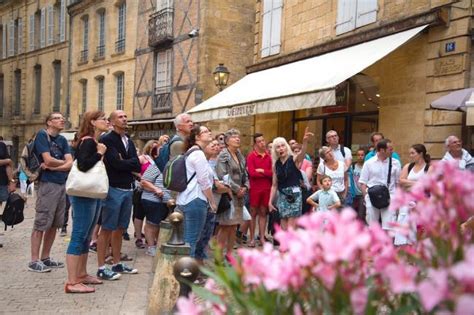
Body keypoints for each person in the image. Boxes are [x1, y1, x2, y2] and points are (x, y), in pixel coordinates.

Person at [65, 110, 109, 293]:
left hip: (91, 193)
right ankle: (72, 282)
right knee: (79, 235)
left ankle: (81, 274)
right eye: (103, 119)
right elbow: (83, 164)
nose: (107, 121)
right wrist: (99, 154)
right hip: (84, 194)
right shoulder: (88, 141)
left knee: (85, 235)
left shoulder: (93, 141)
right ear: (92, 122)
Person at [96, 110, 141, 280]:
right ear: (112, 122)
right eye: (120, 117)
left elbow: (136, 164)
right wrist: (126, 163)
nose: (124, 119)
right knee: (107, 227)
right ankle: (101, 266)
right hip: (113, 188)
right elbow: (115, 163)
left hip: (128, 188)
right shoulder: (107, 139)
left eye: (125, 117)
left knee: (121, 228)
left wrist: (126, 162)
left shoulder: (127, 139)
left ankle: (116, 262)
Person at [29, 113, 73, 272]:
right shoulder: (42, 135)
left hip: (62, 183)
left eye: (62, 118)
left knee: (55, 223)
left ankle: (45, 257)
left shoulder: (62, 140)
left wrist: (57, 165)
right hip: (47, 183)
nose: (62, 120)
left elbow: (71, 164)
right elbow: (47, 160)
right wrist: (64, 163)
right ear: (49, 122)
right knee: (42, 222)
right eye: (57, 118)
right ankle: (34, 260)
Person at [177, 124, 216, 257]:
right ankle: (187, 274)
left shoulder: (191, 152)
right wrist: (212, 201)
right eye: (205, 131)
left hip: (186, 198)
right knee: (192, 240)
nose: (209, 133)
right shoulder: (198, 153)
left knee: (188, 239)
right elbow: (203, 181)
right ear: (197, 137)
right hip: (195, 199)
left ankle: (185, 272)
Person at [268, 128, 314, 230]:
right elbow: (274, 185)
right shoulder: (276, 165)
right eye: (278, 147)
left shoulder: (293, 159)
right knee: (283, 225)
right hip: (282, 195)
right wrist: (270, 201)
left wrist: (305, 142)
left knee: (291, 226)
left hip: (295, 194)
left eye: (283, 146)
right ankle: (286, 245)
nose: (281, 148)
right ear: (275, 150)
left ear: (286, 147)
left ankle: (291, 245)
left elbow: (301, 155)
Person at [195, 140, 231, 264]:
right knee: (201, 235)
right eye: (212, 145)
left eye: (217, 145)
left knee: (205, 235)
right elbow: (210, 184)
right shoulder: (203, 162)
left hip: (209, 202)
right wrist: (213, 200)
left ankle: (200, 265)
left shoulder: (210, 162)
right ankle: (196, 267)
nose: (216, 147)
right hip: (204, 201)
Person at [215, 129, 249, 257]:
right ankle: (218, 257)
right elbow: (222, 174)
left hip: (240, 195)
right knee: (225, 226)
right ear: (227, 141)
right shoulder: (224, 155)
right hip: (229, 195)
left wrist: (245, 186)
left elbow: (245, 173)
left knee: (234, 226)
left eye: (238, 137)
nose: (238, 139)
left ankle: (229, 255)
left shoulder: (239, 154)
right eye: (234, 137)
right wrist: (236, 189)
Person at [359, 139, 401, 231]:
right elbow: (362, 182)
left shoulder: (395, 163)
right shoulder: (368, 163)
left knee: (389, 227)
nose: (392, 151)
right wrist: (366, 197)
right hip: (372, 196)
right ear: (382, 150)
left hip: (390, 196)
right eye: (390, 149)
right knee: (372, 227)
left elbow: (398, 183)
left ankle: (387, 245)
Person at [394, 144, 432, 246]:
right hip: (407, 201)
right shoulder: (408, 166)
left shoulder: (429, 168)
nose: (410, 155)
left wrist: (410, 184)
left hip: (421, 202)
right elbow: (401, 181)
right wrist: (419, 184)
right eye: (410, 153)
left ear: (421, 154)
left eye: (413, 153)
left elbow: (428, 185)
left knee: (419, 228)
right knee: (404, 226)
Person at [140, 153, 172, 257]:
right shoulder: (157, 166)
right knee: (152, 224)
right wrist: (156, 189)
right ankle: (151, 247)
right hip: (153, 200)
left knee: (158, 225)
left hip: (166, 201)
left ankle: (157, 246)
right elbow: (144, 181)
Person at [246, 133, 272, 247]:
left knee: (263, 213)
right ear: (255, 144)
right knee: (253, 213)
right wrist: (265, 173)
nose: (262, 143)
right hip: (255, 188)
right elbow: (252, 173)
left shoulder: (269, 156)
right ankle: (251, 238)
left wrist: (262, 171)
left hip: (266, 188)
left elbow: (272, 173)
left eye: (263, 140)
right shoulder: (251, 156)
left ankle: (261, 237)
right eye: (259, 141)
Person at [133, 140, 159, 249]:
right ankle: (139, 237)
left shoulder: (158, 160)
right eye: (152, 147)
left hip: (153, 190)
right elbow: (132, 169)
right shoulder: (142, 158)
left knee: (152, 217)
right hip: (141, 188)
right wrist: (141, 176)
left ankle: (151, 238)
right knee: (139, 214)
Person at [350, 149, 366, 222]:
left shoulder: (367, 167)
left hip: (363, 194)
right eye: (358, 155)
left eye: (362, 155)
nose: (360, 157)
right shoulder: (352, 166)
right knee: (352, 214)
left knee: (361, 214)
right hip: (354, 194)